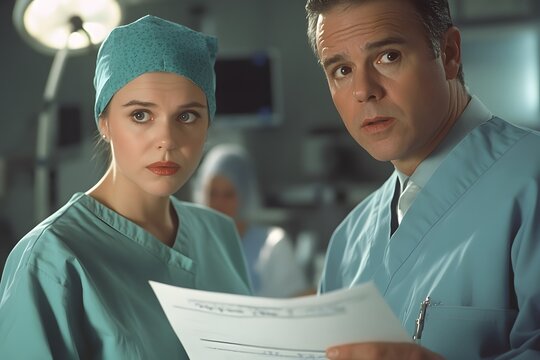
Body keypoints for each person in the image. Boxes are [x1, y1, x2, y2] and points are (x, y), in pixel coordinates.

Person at [0, 15, 251, 359]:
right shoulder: (52, 260)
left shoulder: (219, 235)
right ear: (104, 121)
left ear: (209, 122)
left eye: (187, 116)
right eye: (140, 115)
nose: (166, 140)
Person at [305, 0, 540, 359]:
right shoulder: (347, 244)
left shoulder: (530, 181)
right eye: (341, 70)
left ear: (449, 53)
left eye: (388, 57)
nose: (363, 90)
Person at [193, 143, 311, 298]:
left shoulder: (274, 244)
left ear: (245, 194)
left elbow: (300, 301)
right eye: (212, 193)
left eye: (228, 194)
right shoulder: (192, 244)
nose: (218, 203)